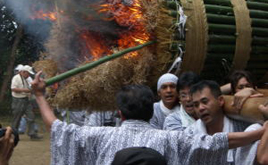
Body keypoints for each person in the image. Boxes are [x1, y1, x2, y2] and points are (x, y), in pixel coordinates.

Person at [32, 71, 266, 165]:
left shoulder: (99, 135)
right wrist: (260, 131)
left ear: (120, 113)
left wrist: (40, 95)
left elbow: (56, 127)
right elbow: (219, 141)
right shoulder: (171, 139)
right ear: (151, 110)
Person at [186, 80, 263, 165]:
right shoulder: (190, 134)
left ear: (220, 101)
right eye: (196, 105)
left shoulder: (242, 127)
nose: (200, 108)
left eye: (205, 102)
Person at [10, 65, 42, 140]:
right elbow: (13, 89)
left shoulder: (27, 78)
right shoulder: (16, 78)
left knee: (31, 116)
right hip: (18, 100)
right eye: (28, 73)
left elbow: (31, 86)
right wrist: (26, 90)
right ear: (23, 72)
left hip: (26, 100)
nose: (29, 75)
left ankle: (32, 134)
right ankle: (13, 135)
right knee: (16, 119)